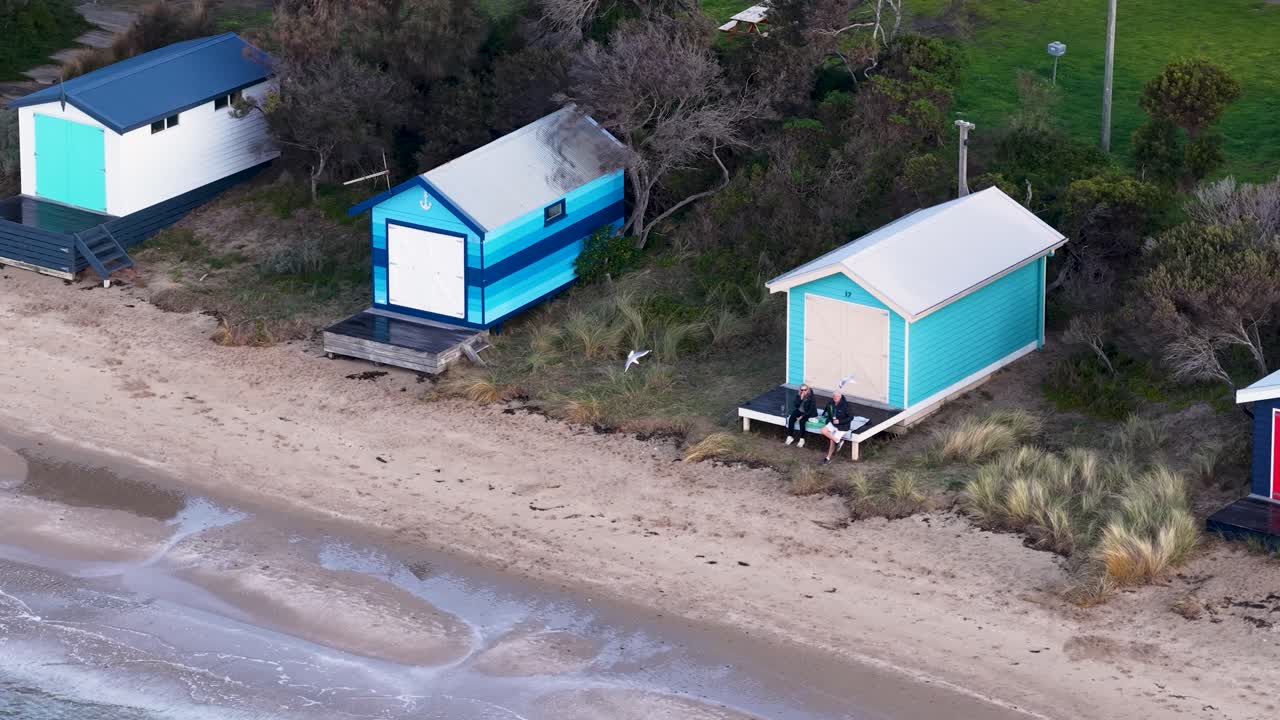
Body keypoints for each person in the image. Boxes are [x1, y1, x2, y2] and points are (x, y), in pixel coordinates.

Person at [819, 389, 853, 465]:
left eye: (837, 396)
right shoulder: (831, 403)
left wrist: (840, 421)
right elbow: (829, 414)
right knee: (823, 430)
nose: (835, 397)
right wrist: (828, 422)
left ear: (840, 397)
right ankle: (838, 441)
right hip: (833, 423)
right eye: (834, 396)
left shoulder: (846, 405)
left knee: (832, 440)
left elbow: (851, 417)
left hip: (842, 426)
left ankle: (827, 458)